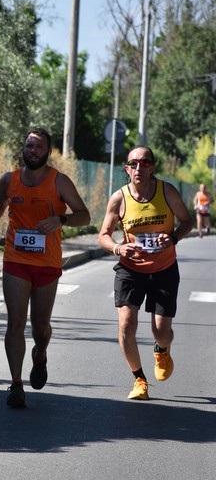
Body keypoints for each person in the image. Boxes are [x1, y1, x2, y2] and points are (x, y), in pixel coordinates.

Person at [0, 127, 90, 408]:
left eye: (39, 147)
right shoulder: (10, 180)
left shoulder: (59, 182)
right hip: (16, 260)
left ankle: (40, 354)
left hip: (47, 264)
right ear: (24, 148)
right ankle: (16, 384)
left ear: (48, 152)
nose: (33, 151)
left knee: (40, 327)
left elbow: (84, 215)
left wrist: (61, 221)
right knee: (15, 322)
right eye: (29, 145)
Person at [98, 146, 193, 400]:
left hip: (164, 270)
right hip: (130, 270)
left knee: (161, 330)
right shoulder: (119, 198)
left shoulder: (167, 192)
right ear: (127, 169)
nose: (139, 168)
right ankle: (139, 379)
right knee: (126, 325)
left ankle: (162, 348)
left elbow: (187, 221)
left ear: (152, 167)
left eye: (145, 163)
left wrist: (172, 238)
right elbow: (103, 235)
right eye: (134, 163)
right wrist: (118, 248)